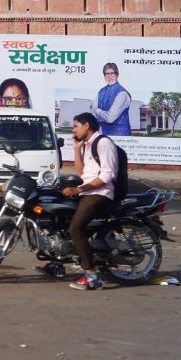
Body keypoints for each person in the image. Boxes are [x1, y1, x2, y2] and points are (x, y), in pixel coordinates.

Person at [52, 112, 118, 291]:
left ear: (86, 125)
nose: (73, 129)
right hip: (87, 192)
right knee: (56, 214)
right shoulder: (88, 145)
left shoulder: (103, 143)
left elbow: (107, 175)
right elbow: (83, 174)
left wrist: (79, 189)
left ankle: (92, 276)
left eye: (75, 126)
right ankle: (57, 261)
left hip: (100, 193)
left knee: (75, 229)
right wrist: (76, 149)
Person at [90, 62, 131, 136]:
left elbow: (110, 118)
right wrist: (103, 116)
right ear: (104, 76)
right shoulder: (101, 91)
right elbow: (92, 114)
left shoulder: (122, 93)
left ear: (117, 75)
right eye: (107, 74)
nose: (109, 76)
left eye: (112, 73)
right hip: (103, 135)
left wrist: (97, 111)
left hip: (120, 135)